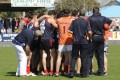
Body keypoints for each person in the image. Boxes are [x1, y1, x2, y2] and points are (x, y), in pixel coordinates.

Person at [86, 7, 113, 76]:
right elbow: (112, 21)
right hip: (101, 37)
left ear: (93, 11)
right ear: (99, 11)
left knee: (89, 55)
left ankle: (87, 72)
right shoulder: (103, 18)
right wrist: (108, 27)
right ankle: (101, 72)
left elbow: (87, 27)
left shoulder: (89, 18)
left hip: (93, 37)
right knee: (100, 55)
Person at [68, 9, 92, 78]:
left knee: (74, 57)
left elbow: (69, 30)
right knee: (83, 58)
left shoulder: (74, 21)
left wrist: (75, 33)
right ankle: (83, 74)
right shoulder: (86, 22)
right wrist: (89, 37)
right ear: (84, 14)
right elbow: (89, 32)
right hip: (84, 41)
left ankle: (71, 73)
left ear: (78, 14)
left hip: (76, 41)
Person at [53, 9, 73, 77]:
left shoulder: (59, 20)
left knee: (59, 57)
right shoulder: (71, 21)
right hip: (69, 40)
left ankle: (57, 73)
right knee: (69, 57)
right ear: (69, 13)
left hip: (61, 41)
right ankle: (69, 71)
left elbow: (56, 26)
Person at [39, 10, 58, 76]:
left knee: (44, 55)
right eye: (54, 15)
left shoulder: (42, 20)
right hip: (49, 39)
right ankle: (51, 71)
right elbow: (57, 26)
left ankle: (45, 71)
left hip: (42, 38)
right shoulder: (51, 19)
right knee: (52, 55)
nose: (55, 17)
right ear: (52, 14)